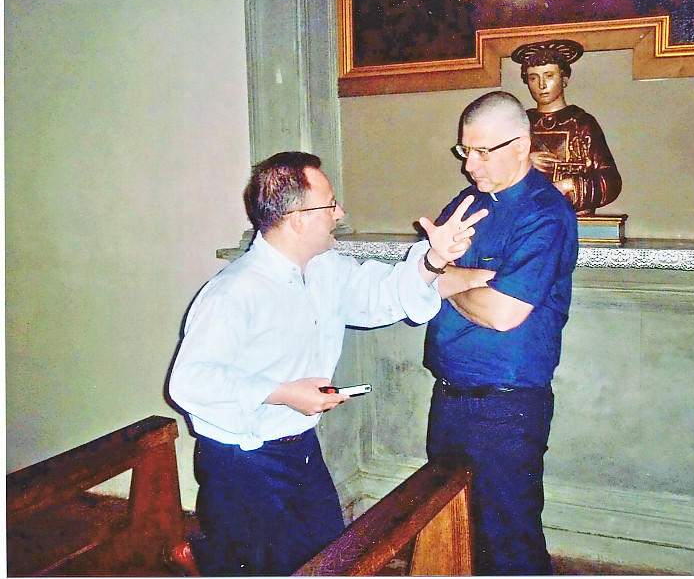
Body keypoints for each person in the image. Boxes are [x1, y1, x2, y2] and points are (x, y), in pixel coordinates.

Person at [167, 151, 487, 576]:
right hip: (242, 465)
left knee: (329, 563)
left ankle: (208, 558)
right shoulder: (234, 291)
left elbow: (382, 295)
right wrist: (282, 392)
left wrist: (433, 260)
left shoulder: (324, 270)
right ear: (298, 217)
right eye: (330, 204)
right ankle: (207, 558)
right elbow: (189, 383)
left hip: (298, 452)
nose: (340, 212)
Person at [423, 91, 578, 575]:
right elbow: (423, 274)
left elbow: (504, 314)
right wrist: (467, 280)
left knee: (510, 544)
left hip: (505, 407)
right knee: (453, 532)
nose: (470, 165)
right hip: (450, 396)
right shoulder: (466, 202)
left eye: (483, 151)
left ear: (523, 145)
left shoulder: (544, 213)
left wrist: (448, 279)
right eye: (464, 150)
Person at [511, 39, 622, 215]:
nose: (541, 85)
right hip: (528, 219)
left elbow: (611, 181)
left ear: (564, 79)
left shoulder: (582, 124)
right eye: (534, 78)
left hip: (575, 219)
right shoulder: (519, 125)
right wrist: (526, 163)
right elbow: (498, 173)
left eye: (549, 76)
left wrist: (568, 185)